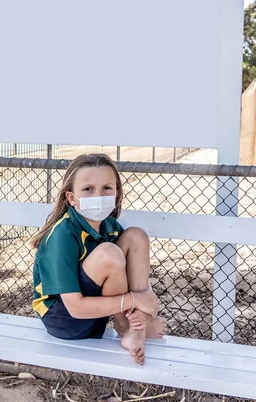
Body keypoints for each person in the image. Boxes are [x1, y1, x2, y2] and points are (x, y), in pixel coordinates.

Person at [31, 153, 166, 364]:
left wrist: (146, 310)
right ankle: (126, 326)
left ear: (117, 194)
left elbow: (132, 274)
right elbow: (75, 307)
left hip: (97, 313)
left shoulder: (110, 227)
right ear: (71, 198)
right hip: (65, 319)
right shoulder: (63, 235)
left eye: (106, 188)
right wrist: (136, 300)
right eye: (88, 189)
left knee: (136, 236)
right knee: (109, 253)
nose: (98, 195)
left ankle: (136, 328)